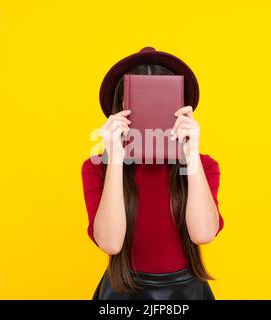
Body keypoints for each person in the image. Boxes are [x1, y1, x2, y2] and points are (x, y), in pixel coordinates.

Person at [81, 47, 224, 300]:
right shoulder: (97, 168)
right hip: (123, 294)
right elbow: (110, 243)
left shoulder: (203, 166)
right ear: (120, 111)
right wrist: (115, 156)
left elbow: (203, 233)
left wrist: (190, 153)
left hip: (187, 293)